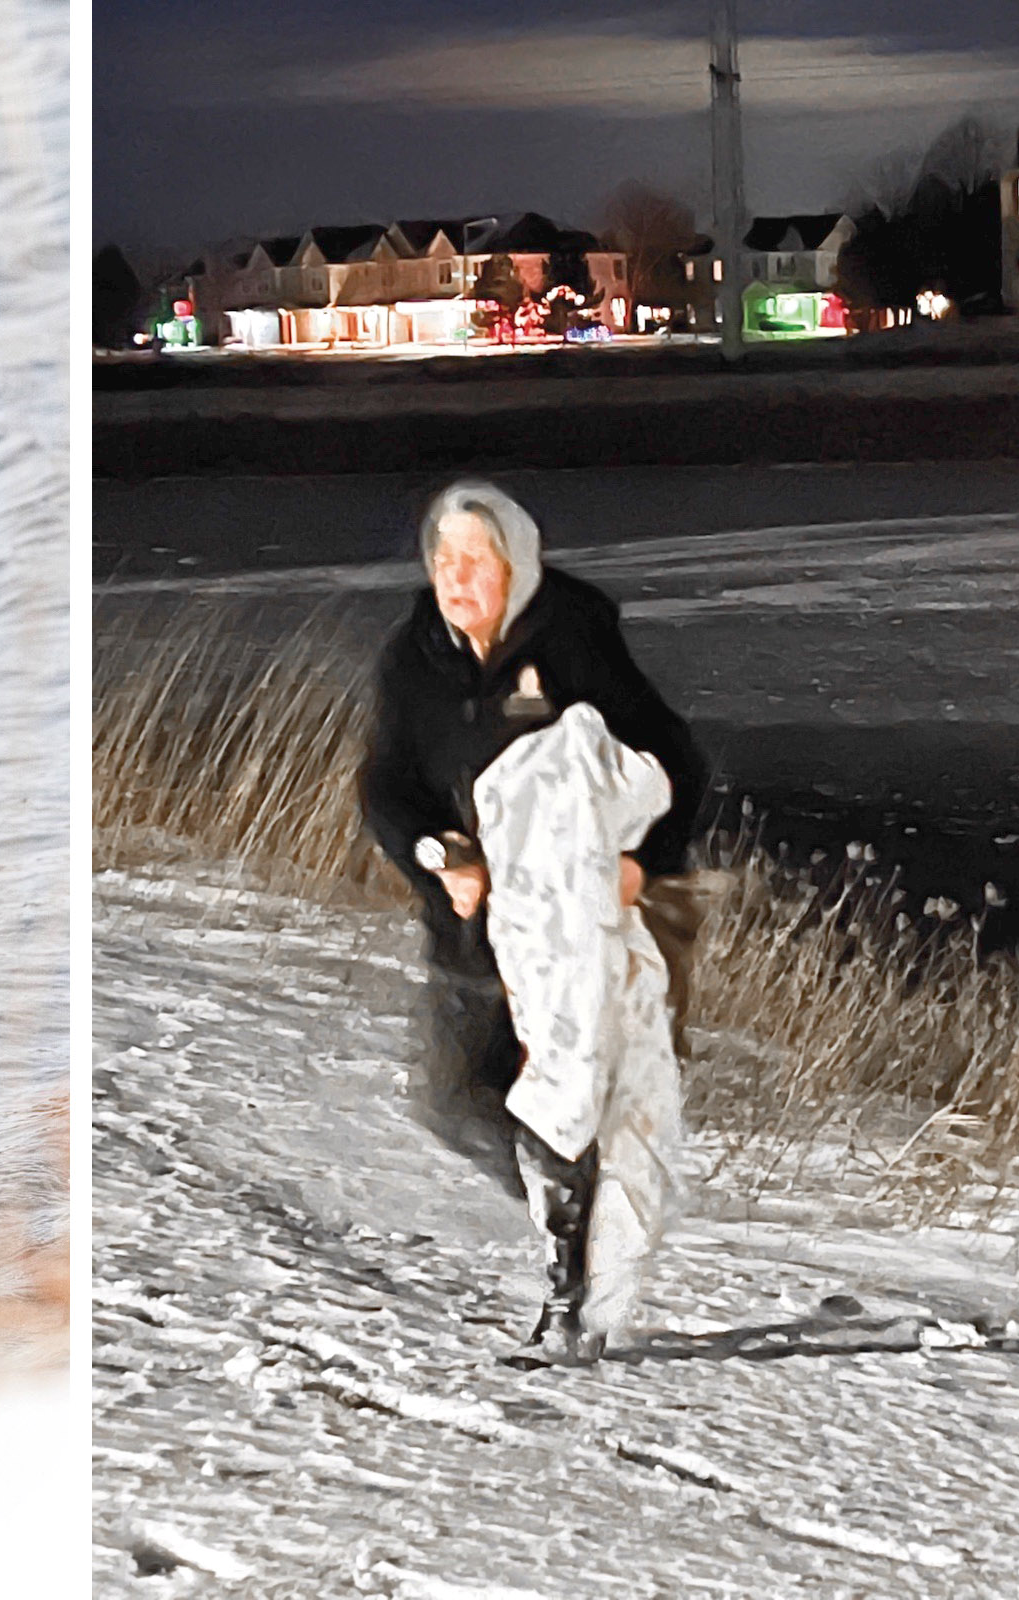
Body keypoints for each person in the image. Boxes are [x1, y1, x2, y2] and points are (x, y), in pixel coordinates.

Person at [359, 479, 708, 1352]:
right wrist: (440, 857)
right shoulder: (415, 657)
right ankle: (573, 1202)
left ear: (514, 564)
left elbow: (673, 760)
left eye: (475, 560)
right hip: (474, 921)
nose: (455, 576)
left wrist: (641, 864)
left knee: (574, 1088)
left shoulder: (574, 637)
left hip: (579, 922)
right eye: (443, 560)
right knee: (456, 1100)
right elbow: (385, 783)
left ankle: (573, 1293)